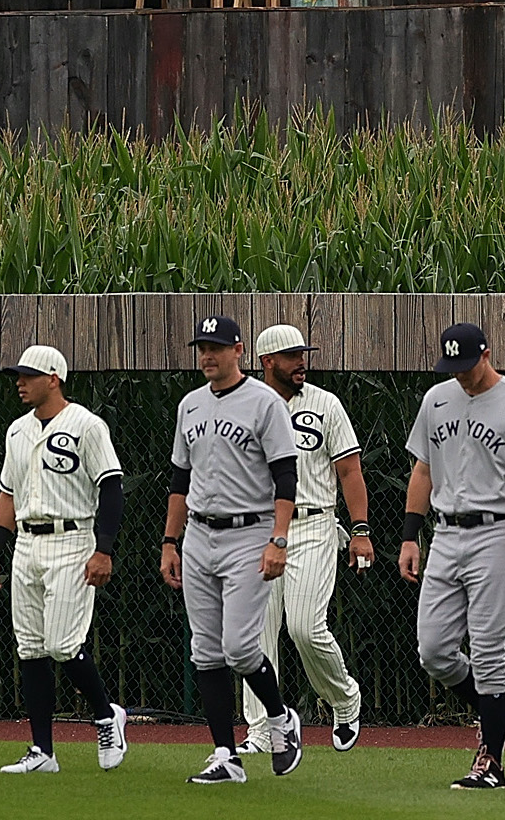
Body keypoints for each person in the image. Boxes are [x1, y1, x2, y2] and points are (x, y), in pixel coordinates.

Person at [399, 320, 505, 791]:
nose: (462, 374)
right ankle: (499, 713)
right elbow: (423, 470)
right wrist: (411, 536)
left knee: (488, 648)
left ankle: (491, 760)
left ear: (486, 354)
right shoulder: (437, 399)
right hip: (446, 534)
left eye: (468, 364)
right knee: (435, 652)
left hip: (499, 533)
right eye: (454, 366)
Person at [162, 315, 304, 784]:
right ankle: (226, 753)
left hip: (250, 531)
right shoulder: (190, 405)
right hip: (200, 533)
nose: (208, 355)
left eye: (217, 347)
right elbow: (180, 480)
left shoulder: (264, 403)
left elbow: (286, 476)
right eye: (202, 346)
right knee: (205, 652)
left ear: (239, 350)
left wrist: (278, 539)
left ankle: (281, 718)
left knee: (241, 648)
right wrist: (170, 540)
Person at [0, 344, 129, 774]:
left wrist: (103, 549)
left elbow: (112, 487)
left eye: (28, 375)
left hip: (72, 538)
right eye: (17, 376)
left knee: (63, 644)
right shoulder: (17, 431)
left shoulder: (86, 424)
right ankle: (42, 751)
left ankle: (106, 715)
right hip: (27, 542)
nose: (19, 383)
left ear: (53, 378)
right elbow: (8, 494)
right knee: (30, 648)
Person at [241, 324, 372, 754]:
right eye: (292, 355)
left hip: (313, 524)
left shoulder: (324, 403)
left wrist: (360, 531)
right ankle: (262, 730)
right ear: (267, 362)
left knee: (304, 627)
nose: (302, 362)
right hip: (258, 527)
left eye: (304, 354)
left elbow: (350, 470)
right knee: (257, 634)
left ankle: (343, 697)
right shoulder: (245, 405)